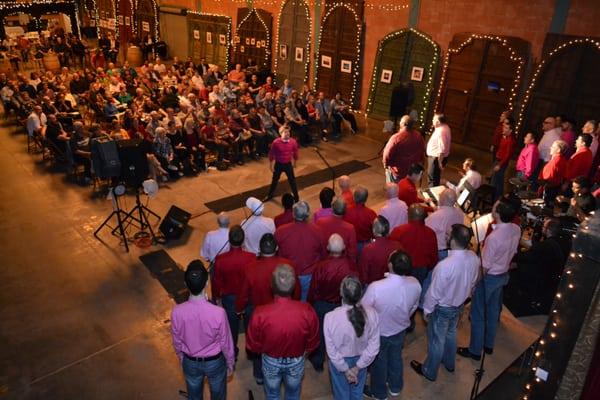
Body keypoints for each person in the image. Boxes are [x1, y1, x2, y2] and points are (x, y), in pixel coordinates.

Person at [410, 224, 480, 381]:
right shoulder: (474, 258)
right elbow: (474, 281)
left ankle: (429, 371)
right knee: (451, 333)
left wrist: (427, 310)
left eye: (448, 235)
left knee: (437, 340)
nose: (446, 237)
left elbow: (434, 292)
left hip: (443, 309)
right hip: (459, 306)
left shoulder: (445, 266)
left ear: (453, 240)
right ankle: (449, 363)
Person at [458, 198, 521, 360]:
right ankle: (488, 345)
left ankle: (474, 350)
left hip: (489, 278)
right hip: (503, 275)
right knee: (493, 311)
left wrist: (473, 284)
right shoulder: (516, 228)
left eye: (494, 207)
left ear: (498, 213)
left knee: (478, 315)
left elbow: (484, 268)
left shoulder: (494, 238)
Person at [246, 264, 320, 400]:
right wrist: (305, 352)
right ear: (294, 286)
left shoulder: (260, 313)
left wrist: (263, 351)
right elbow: (313, 341)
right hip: (296, 361)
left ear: (272, 286)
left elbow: (252, 345)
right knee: (293, 393)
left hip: (270, 361)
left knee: (272, 394)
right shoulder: (307, 310)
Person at [236, 234, 299, 385]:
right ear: (277, 248)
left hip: (258, 314)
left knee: (258, 344)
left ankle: (259, 374)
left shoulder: (250, 268)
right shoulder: (288, 264)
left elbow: (243, 293)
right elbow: (296, 290)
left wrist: (239, 308)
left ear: (259, 249)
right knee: (284, 341)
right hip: (284, 311)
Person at [170, 260, 235, 400]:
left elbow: (177, 341)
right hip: (215, 362)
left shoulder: (177, 312)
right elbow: (226, 342)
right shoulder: (219, 313)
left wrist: (182, 359)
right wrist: (230, 362)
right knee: (218, 395)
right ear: (206, 283)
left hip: (190, 361)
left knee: (194, 396)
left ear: (186, 284)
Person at [361, 250, 421, 399]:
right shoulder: (415, 283)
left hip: (379, 332)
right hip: (400, 329)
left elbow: (364, 310)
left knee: (379, 362)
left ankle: (379, 393)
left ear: (390, 265)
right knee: (396, 357)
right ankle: (395, 387)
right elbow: (414, 306)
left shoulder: (376, 287)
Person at [307, 234, 358, 371]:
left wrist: (310, 304)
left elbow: (314, 289)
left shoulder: (321, 267)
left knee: (321, 335)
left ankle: (318, 362)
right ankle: (340, 359)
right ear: (344, 248)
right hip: (343, 305)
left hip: (323, 305)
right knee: (342, 333)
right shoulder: (351, 266)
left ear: (328, 247)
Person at [324, 277, 380, 399]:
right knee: (357, 391)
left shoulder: (330, 318)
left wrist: (345, 369)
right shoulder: (372, 313)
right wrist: (358, 366)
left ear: (341, 293)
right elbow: (374, 346)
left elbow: (331, 351)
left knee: (341, 392)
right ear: (361, 293)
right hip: (363, 357)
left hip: (339, 360)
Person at [211, 226, 256, 356]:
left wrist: (216, 297)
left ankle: (233, 353)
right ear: (243, 241)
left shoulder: (220, 259)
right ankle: (251, 351)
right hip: (248, 297)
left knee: (231, 328)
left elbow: (217, 281)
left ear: (229, 240)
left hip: (229, 298)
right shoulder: (252, 257)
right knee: (250, 326)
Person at [275, 201, 326, 301]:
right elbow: (323, 254)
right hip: (310, 275)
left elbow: (277, 254)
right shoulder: (318, 231)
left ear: (293, 214)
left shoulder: (280, 231)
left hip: (288, 275)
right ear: (308, 214)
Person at [390, 204, 438, 296]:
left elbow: (392, 251)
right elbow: (434, 255)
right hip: (422, 268)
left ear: (409, 216)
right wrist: (429, 267)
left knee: (401, 292)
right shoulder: (431, 233)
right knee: (417, 290)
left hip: (403, 268)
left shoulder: (398, 231)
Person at [358, 216, 404, 285]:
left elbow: (363, 272)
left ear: (374, 230)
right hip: (393, 283)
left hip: (373, 284)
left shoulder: (368, 249)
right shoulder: (398, 246)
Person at [382, 115, 425, 183]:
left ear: (403, 124)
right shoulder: (419, 136)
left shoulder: (396, 137)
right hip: (411, 173)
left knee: (394, 191)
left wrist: (385, 164)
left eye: (400, 121)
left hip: (398, 172)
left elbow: (387, 154)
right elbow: (422, 152)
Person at [425, 189, 465, 260]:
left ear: (442, 199)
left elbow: (425, 232)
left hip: (440, 252)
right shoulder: (460, 214)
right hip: (454, 250)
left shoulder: (435, 217)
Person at [316, 198, 359, 262]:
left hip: (325, 261)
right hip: (343, 262)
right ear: (345, 211)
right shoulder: (350, 228)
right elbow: (352, 251)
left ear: (332, 209)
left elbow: (317, 244)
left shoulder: (320, 222)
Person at [265, 124, 299, 202]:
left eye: (288, 132)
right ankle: (269, 195)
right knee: (275, 180)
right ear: (281, 133)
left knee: (292, 181)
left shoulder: (293, 142)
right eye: (285, 132)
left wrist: (295, 162)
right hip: (279, 164)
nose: (287, 134)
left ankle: (296, 197)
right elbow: (272, 153)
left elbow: (295, 152)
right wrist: (271, 165)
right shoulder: (276, 142)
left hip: (288, 164)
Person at [343, 186, 378, 253]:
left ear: (354, 197)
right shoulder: (371, 214)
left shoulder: (346, 212)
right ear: (366, 199)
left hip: (350, 244)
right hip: (366, 245)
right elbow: (375, 231)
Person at [490, 116, 517, 200]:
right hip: (498, 160)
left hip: (501, 163)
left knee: (497, 182)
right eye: (504, 127)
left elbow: (508, 155)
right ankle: (494, 197)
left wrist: (500, 165)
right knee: (495, 180)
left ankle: (496, 199)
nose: (503, 129)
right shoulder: (504, 137)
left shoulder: (511, 140)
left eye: (506, 128)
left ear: (511, 130)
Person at [538, 140, 568, 205]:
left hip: (549, 189)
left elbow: (548, 179)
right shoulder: (562, 159)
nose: (550, 148)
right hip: (554, 188)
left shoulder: (556, 161)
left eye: (553, 147)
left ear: (558, 150)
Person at [426, 113, 451, 187]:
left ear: (438, 122)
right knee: (435, 177)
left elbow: (442, 149)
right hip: (437, 158)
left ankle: (432, 197)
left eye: (434, 119)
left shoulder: (441, 131)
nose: (432, 120)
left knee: (432, 179)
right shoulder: (445, 127)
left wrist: (440, 162)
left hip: (436, 159)